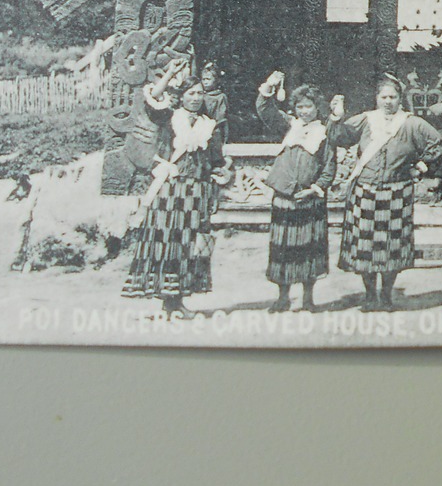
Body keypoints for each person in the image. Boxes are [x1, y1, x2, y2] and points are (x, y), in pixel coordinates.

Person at [121, 60, 230, 317]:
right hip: (170, 190)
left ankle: (178, 300)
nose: (195, 98)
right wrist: (169, 73)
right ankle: (166, 301)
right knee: (167, 242)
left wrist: (216, 182)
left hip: (196, 191)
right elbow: (152, 99)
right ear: (181, 96)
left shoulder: (209, 125)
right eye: (190, 93)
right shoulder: (170, 117)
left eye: (199, 93)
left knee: (189, 246)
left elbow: (215, 161)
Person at [328, 74, 442, 312]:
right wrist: (337, 118)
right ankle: (370, 296)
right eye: (384, 97)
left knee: (392, 247)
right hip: (366, 191)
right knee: (365, 247)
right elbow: (338, 137)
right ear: (376, 98)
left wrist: (419, 167)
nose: (388, 101)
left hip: (396, 193)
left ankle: (387, 296)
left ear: (400, 99)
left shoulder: (412, 123)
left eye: (393, 97)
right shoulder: (365, 120)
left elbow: (437, 143)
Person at [255, 71, 335, 313]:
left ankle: (308, 299)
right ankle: (282, 298)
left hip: (309, 199)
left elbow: (329, 166)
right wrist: (270, 84)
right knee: (283, 249)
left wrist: (314, 189)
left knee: (309, 250)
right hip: (284, 199)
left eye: (309, 106)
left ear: (317, 108)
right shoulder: (290, 125)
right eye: (300, 106)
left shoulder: (325, 133)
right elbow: (264, 108)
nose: (304, 111)